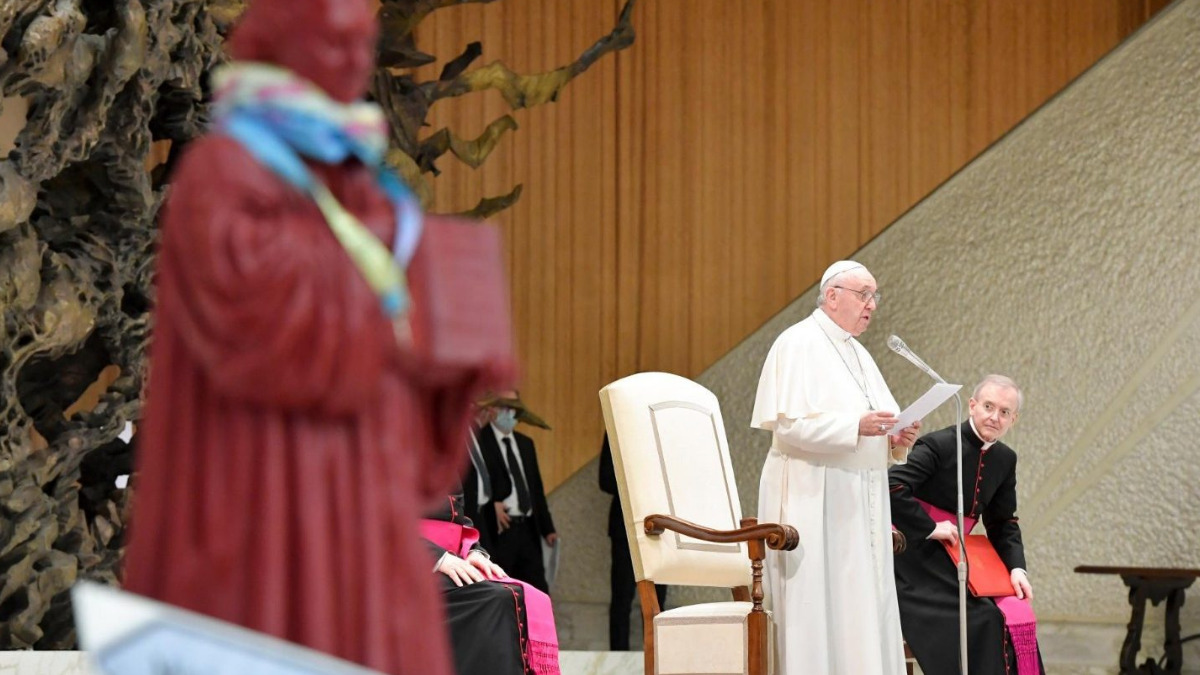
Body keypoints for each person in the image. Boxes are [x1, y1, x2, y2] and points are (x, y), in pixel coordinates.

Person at [120, 1, 513, 673]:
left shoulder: (352, 175)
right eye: (335, 44)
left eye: (360, 46)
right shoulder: (228, 167)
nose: (354, 61)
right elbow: (246, 312)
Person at [751, 260, 920, 675]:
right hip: (812, 496)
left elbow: (872, 426)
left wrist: (894, 439)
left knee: (861, 604)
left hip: (859, 502)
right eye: (864, 295)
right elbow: (788, 425)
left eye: (874, 296)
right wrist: (855, 426)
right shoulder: (797, 343)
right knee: (818, 604)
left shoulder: (858, 352)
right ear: (832, 296)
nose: (872, 305)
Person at [889, 375, 1043, 675]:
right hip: (916, 559)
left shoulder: (1005, 459)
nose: (994, 417)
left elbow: (1003, 521)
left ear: (1013, 419)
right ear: (972, 406)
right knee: (984, 618)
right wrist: (930, 528)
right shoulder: (939, 444)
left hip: (957, 558)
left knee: (1014, 616)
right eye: (988, 406)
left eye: (1004, 412)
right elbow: (892, 485)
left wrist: (1016, 569)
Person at [424, 491, 560, 675]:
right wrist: (438, 557)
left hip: (454, 560)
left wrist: (474, 551)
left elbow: (461, 520)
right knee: (499, 598)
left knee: (529, 595)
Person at [476, 391, 558, 593]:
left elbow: (535, 489)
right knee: (502, 590)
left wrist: (548, 529)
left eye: (514, 407)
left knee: (537, 590)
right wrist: (491, 504)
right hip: (500, 529)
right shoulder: (480, 441)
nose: (510, 412)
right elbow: (476, 486)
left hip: (528, 528)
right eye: (505, 406)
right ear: (491, 408)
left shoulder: (525, 444)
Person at [598, 432, 667, 650]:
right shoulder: (617, 428)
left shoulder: (662, 429)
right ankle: (618, 657)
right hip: (625, 527)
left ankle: (658, 655)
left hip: (659, 527)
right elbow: (605, 479)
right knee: (622, 597)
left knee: (658, 601)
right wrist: (639, 478)